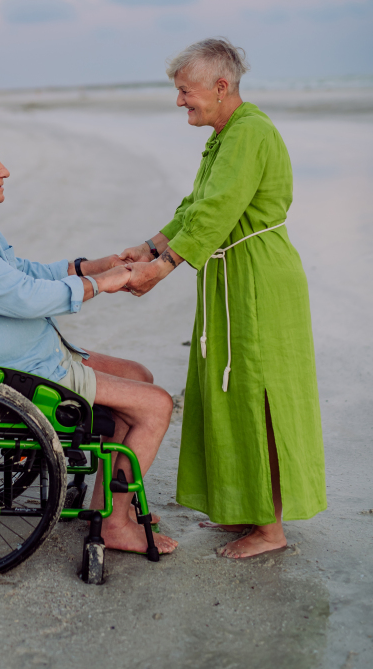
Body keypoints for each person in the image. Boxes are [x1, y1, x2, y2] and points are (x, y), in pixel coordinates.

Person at [0, 123, 177, 555]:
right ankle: (113, 524)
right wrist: (106, 284)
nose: (5, 172)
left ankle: (111, 505)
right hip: (17, 373)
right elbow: (25, 297)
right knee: (157, 404)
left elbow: (24, 273)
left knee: (138, 376)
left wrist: (94, 266)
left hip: (32, 353)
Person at [120, 39, 326, 559]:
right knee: (228, 394)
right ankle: (243, 508)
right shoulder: (225, 133)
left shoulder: (249, 132)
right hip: (228, 275)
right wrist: (150, 245)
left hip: (258, 280)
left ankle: (271, 529)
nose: (179, 102)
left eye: (185, 92)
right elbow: (196, 205)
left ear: (220, 86)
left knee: (261, 398)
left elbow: (218, 212)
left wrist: (162, 268)